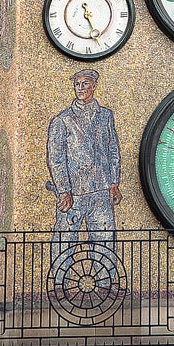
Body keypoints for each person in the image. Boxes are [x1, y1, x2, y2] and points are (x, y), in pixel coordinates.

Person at [46, 70, 122, 249]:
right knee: (63, 245)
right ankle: (59, 278)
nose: (80, 88)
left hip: (101, 193)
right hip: (74, 195)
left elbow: (113, 150)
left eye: (85, 83)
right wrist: (64, 190)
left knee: (105, 246)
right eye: (77, 84)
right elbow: (55, 158)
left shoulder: (105, 116)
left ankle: (107, 278)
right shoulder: (62, 120)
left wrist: (114, 183)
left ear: (94, 86)